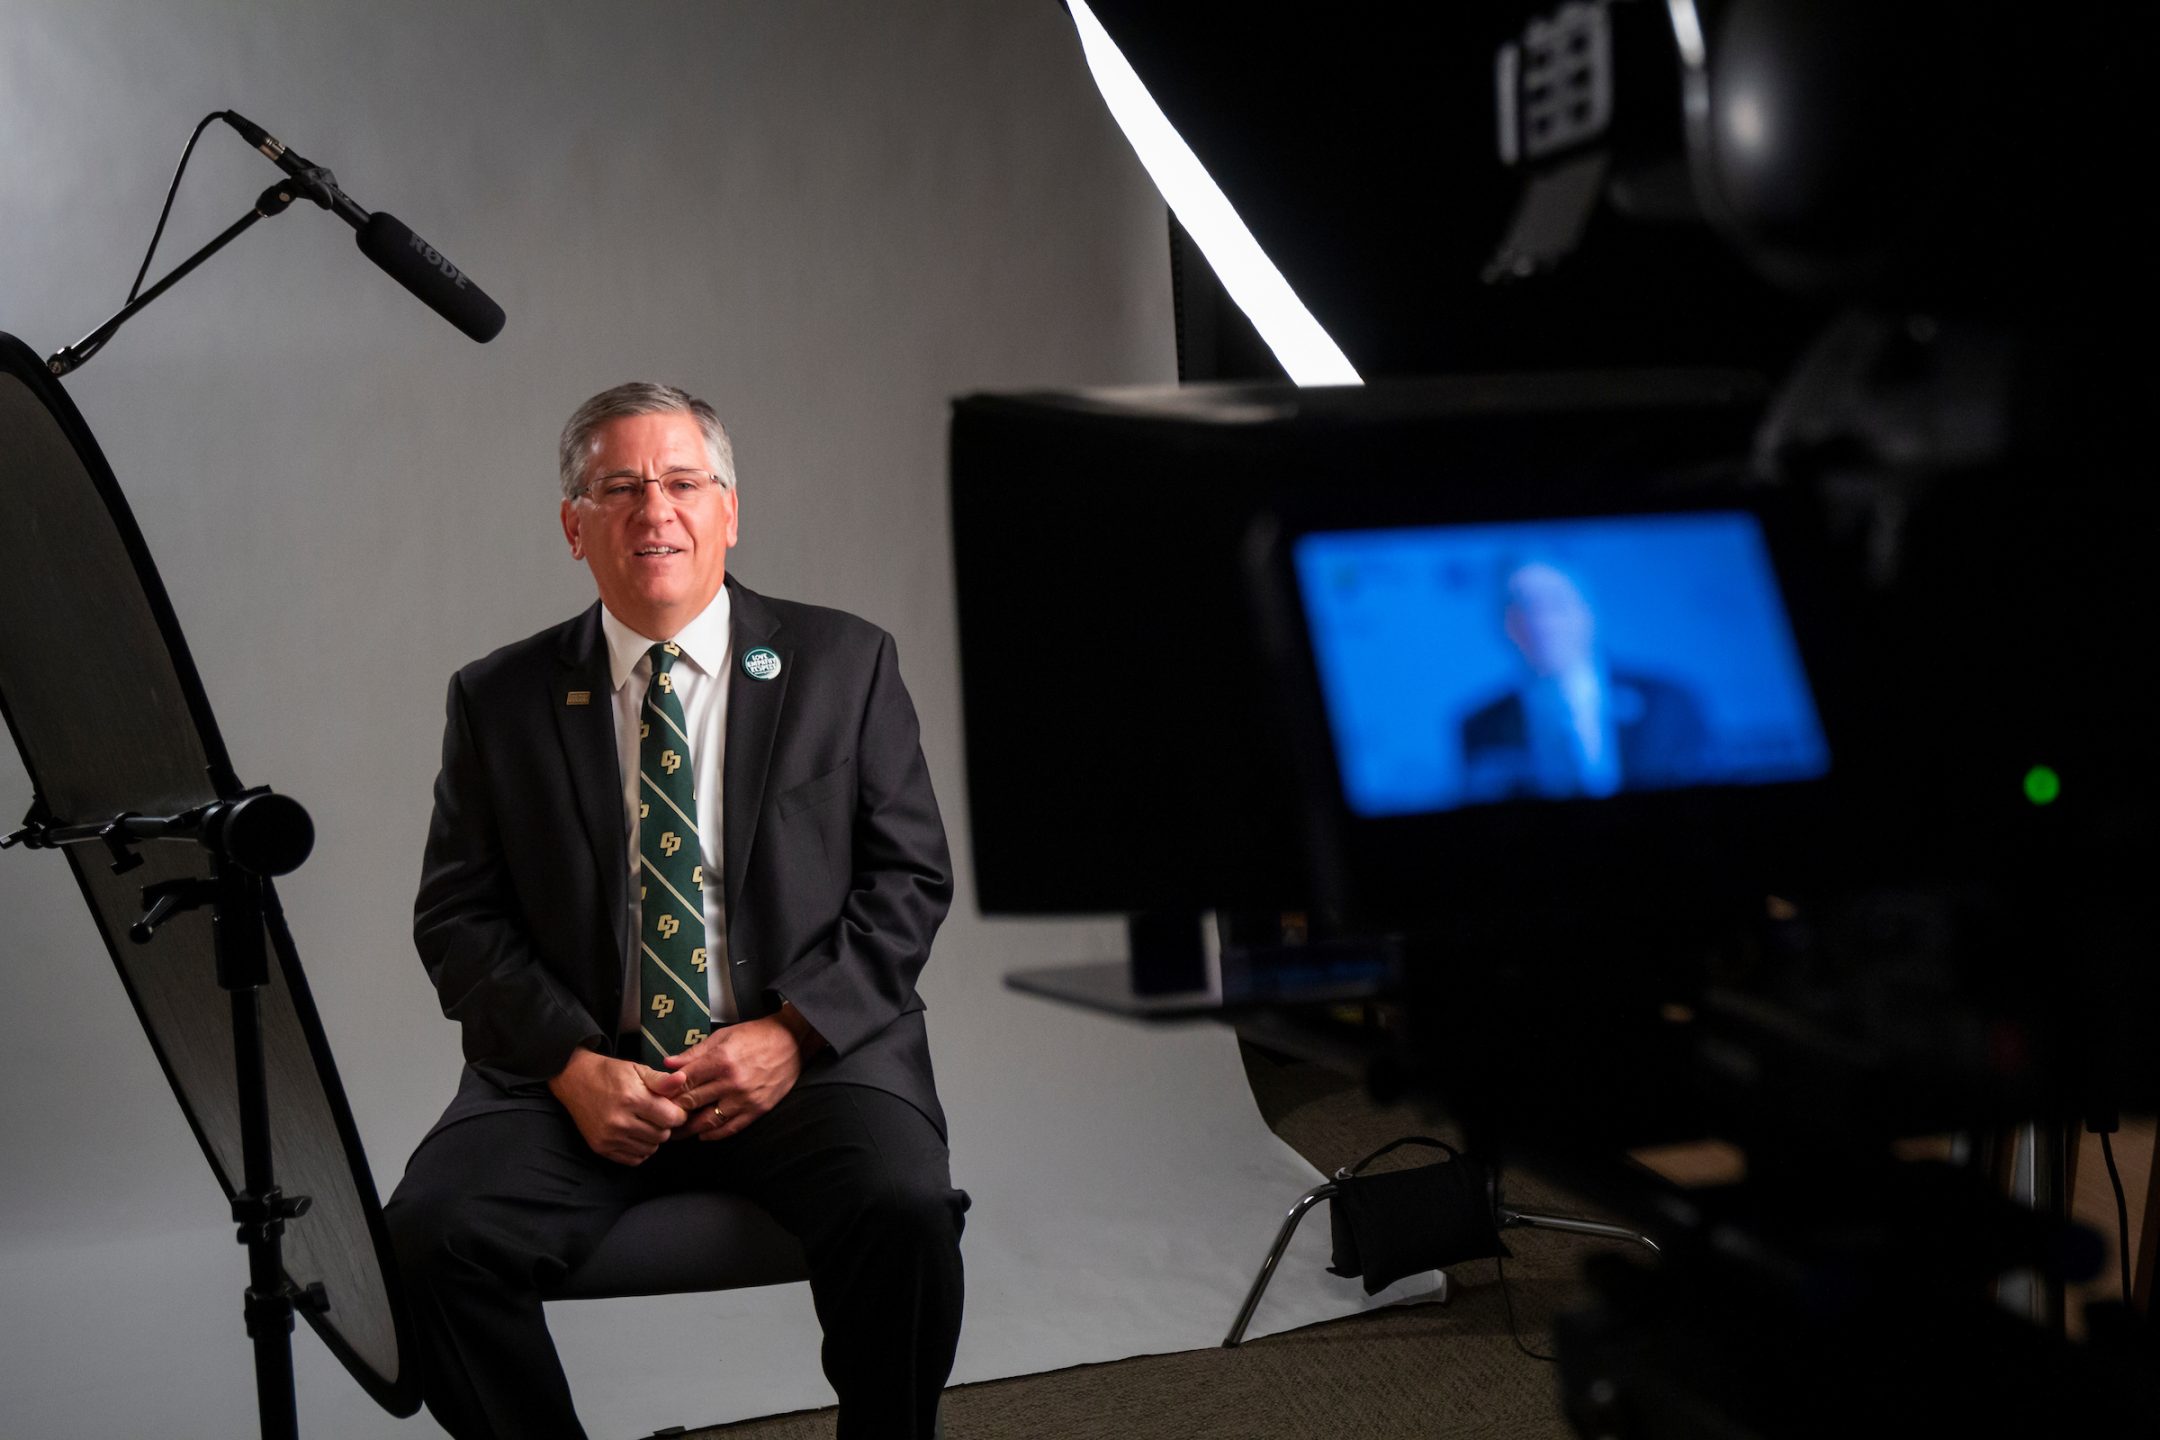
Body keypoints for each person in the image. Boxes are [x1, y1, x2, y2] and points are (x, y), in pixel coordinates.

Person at [385, 382, 964, 1440]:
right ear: (575, 526)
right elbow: (457, 920)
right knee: (430, 1239)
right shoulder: (498, 698)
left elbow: (912, 878)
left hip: (809, 1064)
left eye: (683, 482)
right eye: (619, 488)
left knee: (906, 1211)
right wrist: (568, 1062)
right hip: (583, 1075)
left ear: (728, 510)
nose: (657, 511)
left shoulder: (845, 663)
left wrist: (792, 1032)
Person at [1459, 558, 1708, 802]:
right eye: (1522, 606)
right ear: (1504, 625)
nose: (1540, 620)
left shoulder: (1668, 702)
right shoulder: (1481, 726)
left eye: (1555, 602)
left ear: (1587, 611)